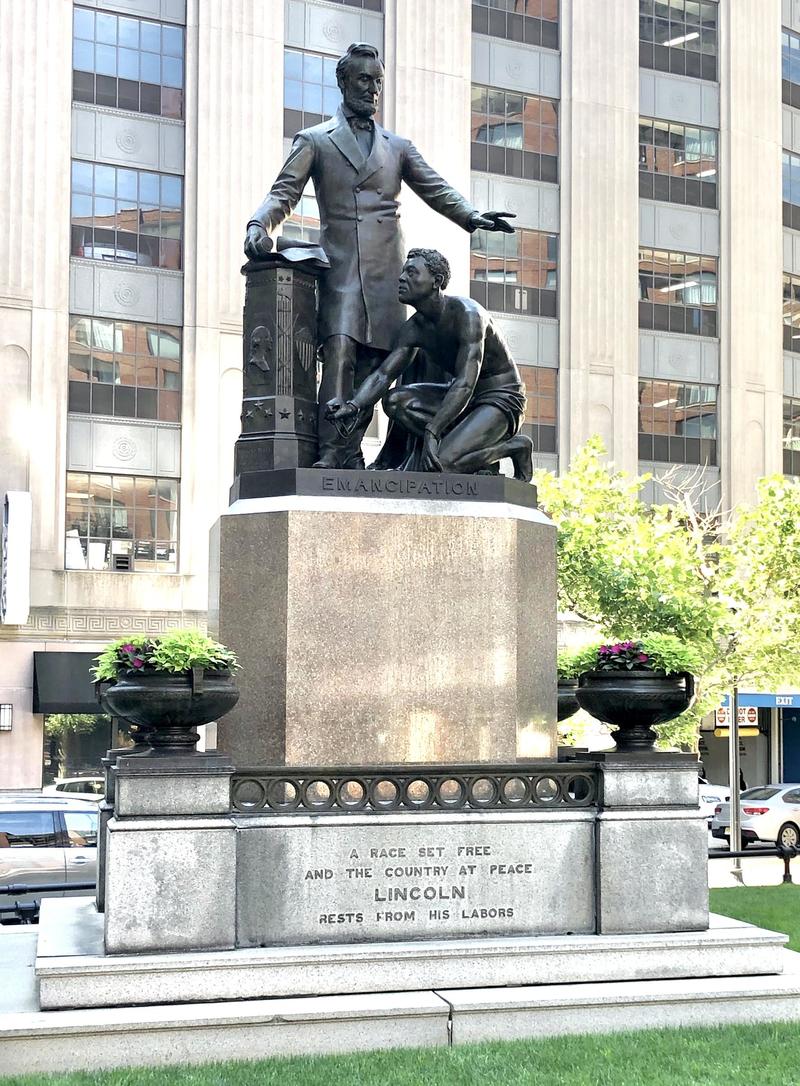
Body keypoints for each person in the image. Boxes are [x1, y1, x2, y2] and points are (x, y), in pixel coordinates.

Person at [244, 42, 515, 469]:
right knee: (339, 353)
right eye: (363, 80)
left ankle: (379, 458)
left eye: (378, 82)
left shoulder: (398, 147)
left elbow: (435, 187)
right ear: (343, 82)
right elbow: (284, 193)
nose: (372, 90)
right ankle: (334, 455)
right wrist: (259, 225)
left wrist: (472, 215)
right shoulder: (315, 140)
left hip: (391, 271)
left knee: (382, 363)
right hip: (343, 270)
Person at [325, 248, 533, 480]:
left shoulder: (468, 315)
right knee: (395, 402)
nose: (402, 278)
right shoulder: (414, 328)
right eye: (403, 272)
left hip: (499, 399)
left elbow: (465, 383)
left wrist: (432, 430)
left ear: (437, 281)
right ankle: (463, 445)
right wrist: (353, 406)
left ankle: (514, 447)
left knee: (441, 465)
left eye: (412, 273)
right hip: (461, 401)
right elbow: (383, 376)